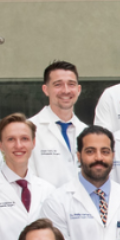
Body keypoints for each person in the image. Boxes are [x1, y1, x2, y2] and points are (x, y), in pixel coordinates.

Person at [28, 60, 90, 188]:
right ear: (46, 90)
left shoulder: (87, 131)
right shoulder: (29, 129)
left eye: (71, 84)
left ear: (78, 90)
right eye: (58, 85)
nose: (66, 90)